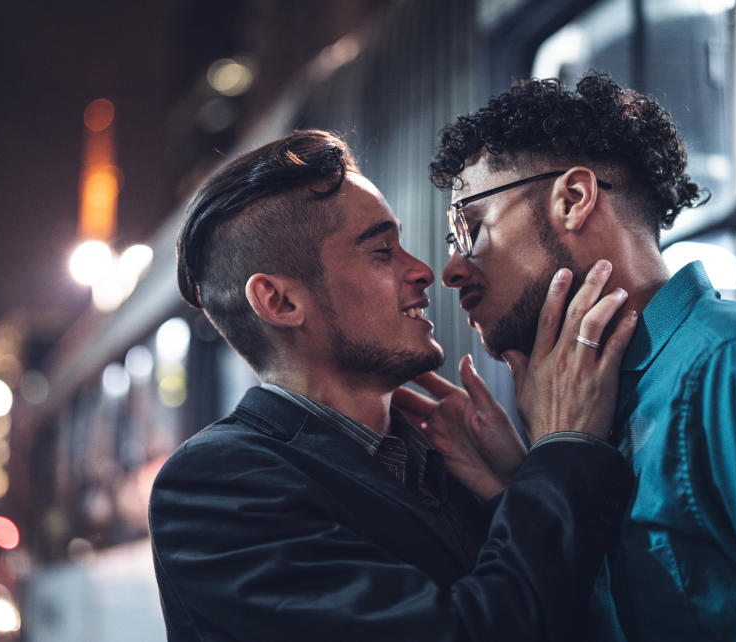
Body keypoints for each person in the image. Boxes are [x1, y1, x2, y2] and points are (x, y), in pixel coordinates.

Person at [428, 73, 736, 641]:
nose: (450, 269)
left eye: (469, 227)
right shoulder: (572, 410)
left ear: (573, 198)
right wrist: (524, 481)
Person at [149, 129, 639, 641]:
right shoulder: (217, 487)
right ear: (281, 302)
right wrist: (560, 453)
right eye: (382, 251)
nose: (425, 271)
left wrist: (507, 488)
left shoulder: (446, 458)